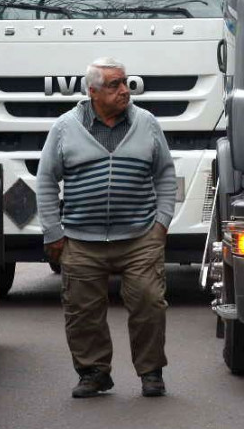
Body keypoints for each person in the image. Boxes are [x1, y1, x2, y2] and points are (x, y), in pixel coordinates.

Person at [36, 57, 176, 398]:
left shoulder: (147, 123)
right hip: (82, 239)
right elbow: (45, 180)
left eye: (125, 82)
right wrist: (53, 232)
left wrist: (161, 222)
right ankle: (94, 372)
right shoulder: (65, 127)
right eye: (114, 85)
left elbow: (166, 174)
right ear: (93, 91)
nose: (124, 90)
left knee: (149, 302)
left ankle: (151, 372)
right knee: (82, 311)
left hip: (140, 237)